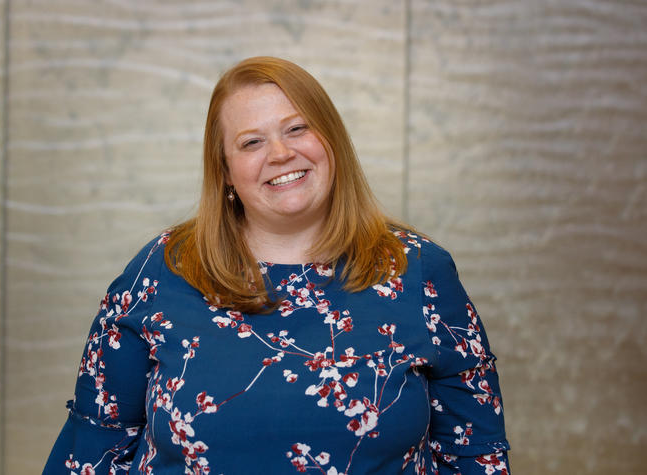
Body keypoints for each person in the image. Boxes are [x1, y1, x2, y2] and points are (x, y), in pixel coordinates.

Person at [44, 56, 510, 474]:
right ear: (225, 170)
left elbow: (475, 452)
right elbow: (93, 446)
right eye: (251, 142)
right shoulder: (162, 269)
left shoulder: (418, 270)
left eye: (297, 128)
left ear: (332, 140)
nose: (281, 154)